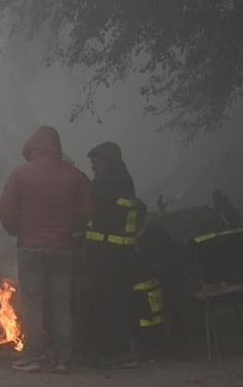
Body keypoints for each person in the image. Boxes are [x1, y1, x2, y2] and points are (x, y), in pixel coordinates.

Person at [0, 126, 94, 374]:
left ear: (31, 148)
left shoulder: (20, 174)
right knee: (62, 303)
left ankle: (33, 357)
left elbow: (6, 211)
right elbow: (87, 210)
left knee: (33, 303)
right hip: (62, 247)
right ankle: (62, 359)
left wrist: (19, 231)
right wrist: (70, 230)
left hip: (30, 247)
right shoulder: (74, 175)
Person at [85, 142, 146, 368]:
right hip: (109, 253)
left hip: (113, 255)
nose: (94, 167)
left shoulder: (113, 184)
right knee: (108, 301)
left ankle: (123, 350)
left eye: (97, 163)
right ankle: (114, 350)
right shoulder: (112, 180)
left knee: (115, 302)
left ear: (109, 162)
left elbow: (91, 204)